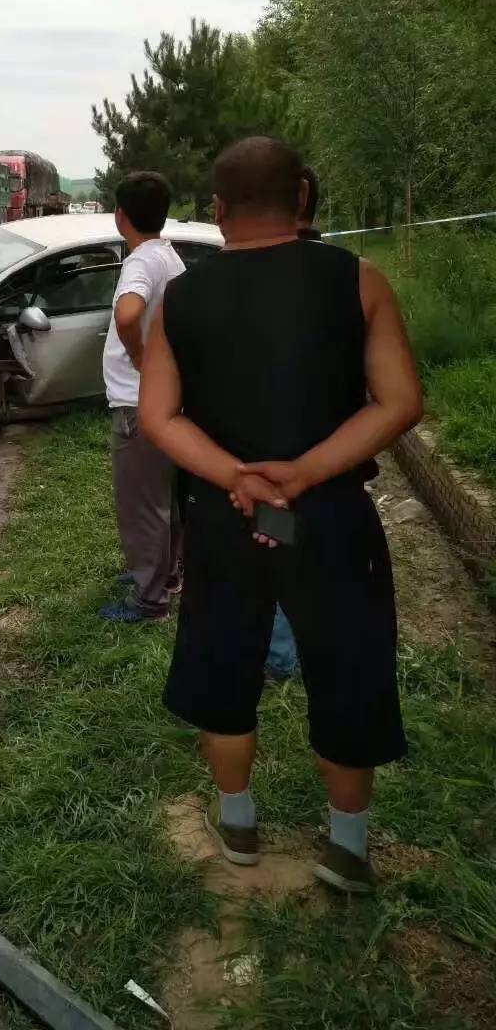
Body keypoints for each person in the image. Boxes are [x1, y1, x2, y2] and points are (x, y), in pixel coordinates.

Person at [140, 136, 423, 895]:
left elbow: (159, 416)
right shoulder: (358, 280)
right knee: (347, 664)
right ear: (302, 198)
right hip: (329, 515)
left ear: (220, 210)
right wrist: (300, 474)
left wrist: (238, 475)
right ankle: (348, 849)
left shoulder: (181, 299)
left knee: (221, 660)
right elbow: (400, 402)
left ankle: (237, 825)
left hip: (222, 517)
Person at [99, 171, 185, 623]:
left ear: (121, 216)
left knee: (140, 502)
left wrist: (138, 356)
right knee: (162, 495)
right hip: (163, 400)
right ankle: (166, 573)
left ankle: (150, 598)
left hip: (137, 402)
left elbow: (128, 312)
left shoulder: (140, 263)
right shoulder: (169, 257)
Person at [265, 164, 321, 681]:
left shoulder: (274, 280)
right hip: (333, 455)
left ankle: (282, 654)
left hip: (282, 455)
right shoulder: (347, 273)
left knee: (279, 542)